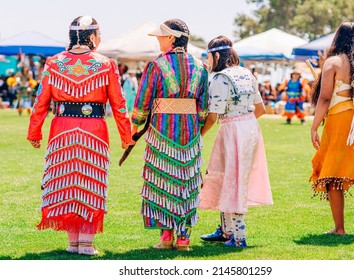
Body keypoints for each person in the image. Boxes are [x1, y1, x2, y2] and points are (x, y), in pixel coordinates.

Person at [27, 16, 132, 255]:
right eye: (100, 34)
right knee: (88, 181)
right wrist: (126, 135)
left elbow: (40, 101)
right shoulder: (105, 64)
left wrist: (34, 131)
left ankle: (73, 242)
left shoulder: (54, 63)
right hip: (94, 129)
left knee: (66, 182)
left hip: (62, 129)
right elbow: (118, 104)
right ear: (93, 36)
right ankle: (85, 242)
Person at [130, 18, 208, 251]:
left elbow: (143, 100)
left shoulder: (157, 65)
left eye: (161, 37)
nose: (158, 41)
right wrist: (196, 130)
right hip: (190, 134)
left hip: (162, 133)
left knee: (163, 181)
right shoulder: (201, 66)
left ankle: (166, 238)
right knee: (186, 182)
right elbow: (203, 107)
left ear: (172, 38)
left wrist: (135, 125)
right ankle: (183, 239)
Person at [198, 35, 273, 248]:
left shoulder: (221, 78)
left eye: (209, 56)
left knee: (232, 178)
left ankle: (238, 237)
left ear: (217, 55)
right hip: (249, 128)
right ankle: (225, 230)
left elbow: (213, 115)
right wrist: (244, 122)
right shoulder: (247, 74)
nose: (209, 60)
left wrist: (199, 135)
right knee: (229, 176)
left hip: (232, 129)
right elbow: (261, 109)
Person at [310, 22, 354, 237]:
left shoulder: (332, 63)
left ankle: (339, 228)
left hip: (341, 120)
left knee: (334, 172)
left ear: (337, 38)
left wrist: (314, 127)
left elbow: (324, 98)